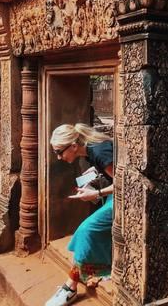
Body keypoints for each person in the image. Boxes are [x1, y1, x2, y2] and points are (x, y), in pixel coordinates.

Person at [45, 123, 114, 306]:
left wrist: (96, 194)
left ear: (74, 146)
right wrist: (93, 177)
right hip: (112, 197)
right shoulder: (90, 152)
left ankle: (71, 286)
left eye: (60, 152)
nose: (59, 157)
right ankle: (74, 282)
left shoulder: (99, 152)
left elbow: (123, 183)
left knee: (85, 230)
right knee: (89, 230)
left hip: (122, 199)